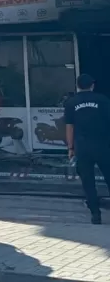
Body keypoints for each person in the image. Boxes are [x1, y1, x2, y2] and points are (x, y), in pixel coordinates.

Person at [64, 73, 110, 224]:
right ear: (92, 85)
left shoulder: (71, 103)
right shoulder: (102, 100)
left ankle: (95, 214)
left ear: (78, 86)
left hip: (82, 148)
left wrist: (70, 148)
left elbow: (69, 127)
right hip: (103, 146)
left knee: (88, 182)